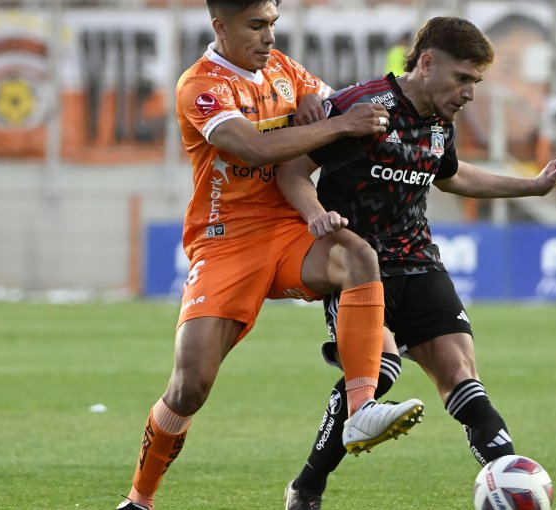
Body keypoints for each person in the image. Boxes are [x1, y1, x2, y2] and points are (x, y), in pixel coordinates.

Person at [115, 1, 426, 509]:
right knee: (189, 387)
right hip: (225, 242)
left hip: (286, 231)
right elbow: (252, 148)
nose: (269, 38)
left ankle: (361, 407)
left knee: (358, 258)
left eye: (273, 25)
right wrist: (335, 126)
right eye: (256, 27)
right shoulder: (200, 85)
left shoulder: (283, 68)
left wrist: (327, 111)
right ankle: (139, 500)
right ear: (221, 26)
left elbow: (337, 103)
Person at [275, 16, 556, 509]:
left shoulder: (440, 120)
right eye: (463, 78)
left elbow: (451, 176)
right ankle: (307, 487)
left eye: (476, 81)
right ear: (427, 63)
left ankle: (509, 487)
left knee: (462, 375)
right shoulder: (360, 107)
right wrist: (315, 216)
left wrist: (532, 185)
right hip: (356, 264)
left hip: (418, 260)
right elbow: (291, 170)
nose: (470, 93)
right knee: (381, 368)